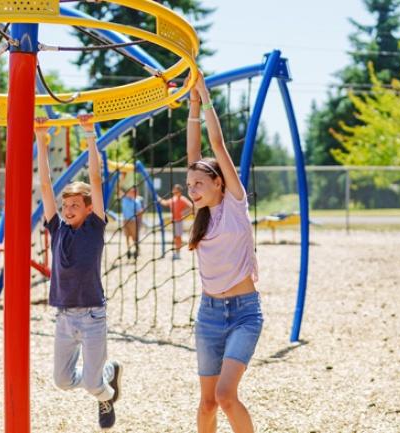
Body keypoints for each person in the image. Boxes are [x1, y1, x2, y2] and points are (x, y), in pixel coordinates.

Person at [186, 73, 263, 433]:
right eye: (190, 185)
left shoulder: (234, 203)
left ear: (219, 182)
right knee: (207, 404)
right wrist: (192, 107)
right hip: (210, 314)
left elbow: (215, 146)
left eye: (199, 183)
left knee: (226, 395)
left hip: (245, 312)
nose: (193, 189)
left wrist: (205, 95)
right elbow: (193, 157)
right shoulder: (201, 213)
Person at [37, 115, 123, 430]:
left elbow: (97, 181)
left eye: (75, 204)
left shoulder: (95, 227)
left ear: (88, 208)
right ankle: (105, 375)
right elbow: (45, 185)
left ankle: (106, 392)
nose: (68, 208)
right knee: (61, 381)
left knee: (91, 386)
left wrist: (89, 135)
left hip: (92, 316)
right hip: (64, 316)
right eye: (66, 205)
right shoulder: (57, 229)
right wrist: (41, 139)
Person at [159, 184, 193, 260]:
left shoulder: (182, 199)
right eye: (174, 190)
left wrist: (184, 213)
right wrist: (157, 198)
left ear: (180, 191)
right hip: (173, 221)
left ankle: (178, 253)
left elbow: (191, 207)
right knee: (175, 238)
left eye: (176, 190)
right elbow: (165, 203)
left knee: (178, 237)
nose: (174, 191)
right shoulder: (173, 199)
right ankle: (176, 252)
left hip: (179, 221)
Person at [121, 186, 144, 260]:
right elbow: (118, 190)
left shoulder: (136, 201)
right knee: (127, 237)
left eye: (133, 192)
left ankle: (137, 250)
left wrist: (139, 221)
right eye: (131, 192)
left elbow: (140, 212)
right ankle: (129, 250)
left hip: (133, 221)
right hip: (125, 220)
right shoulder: (124, 199)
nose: (131, 193)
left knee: (134, 237)